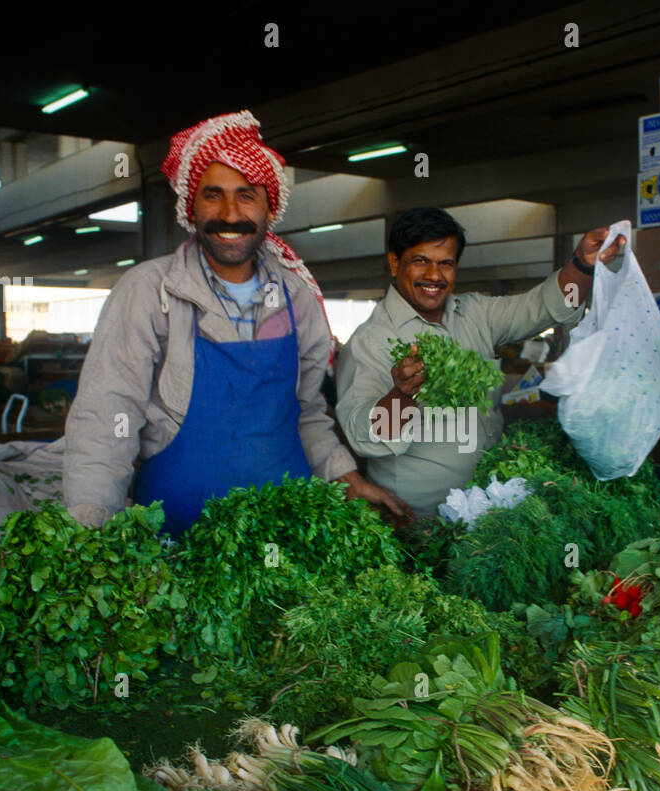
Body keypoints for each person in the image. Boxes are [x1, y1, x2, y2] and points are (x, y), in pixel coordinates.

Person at [63, 111, 407, 534]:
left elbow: (305, 412)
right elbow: (106, 417)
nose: (229, 213)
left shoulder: (296, 298)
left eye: (246, 195)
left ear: (269, 207)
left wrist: (346, 477)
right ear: (192, 204)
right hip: (176, 539)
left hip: (287, 533)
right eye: (213, 195)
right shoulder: (149, 292)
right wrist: (91, 527)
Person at [336, 206, 624, 517]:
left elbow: (540, 306)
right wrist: (402, 395)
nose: (434, 275)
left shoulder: (475, 314)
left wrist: (582, 265)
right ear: (395, 263)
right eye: (421, 261)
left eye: (446, 264)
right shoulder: (371, 341)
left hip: (491, 509)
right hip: (420, 522)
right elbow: (364, 436)